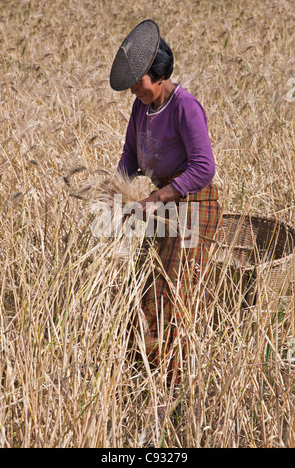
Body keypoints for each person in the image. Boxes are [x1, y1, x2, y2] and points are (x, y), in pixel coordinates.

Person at [110, 19, 222, 385]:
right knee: (144, 288)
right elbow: (130, 154)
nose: (132, 90)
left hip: (191, 204)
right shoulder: (142, 108)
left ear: (159, 75)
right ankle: (145, 376)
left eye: (138, 81)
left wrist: (157, 197)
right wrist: (115, 191)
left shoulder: (184, 106)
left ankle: (174, 385)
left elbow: (204, 167)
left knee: (169, 295)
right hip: (162, 204)